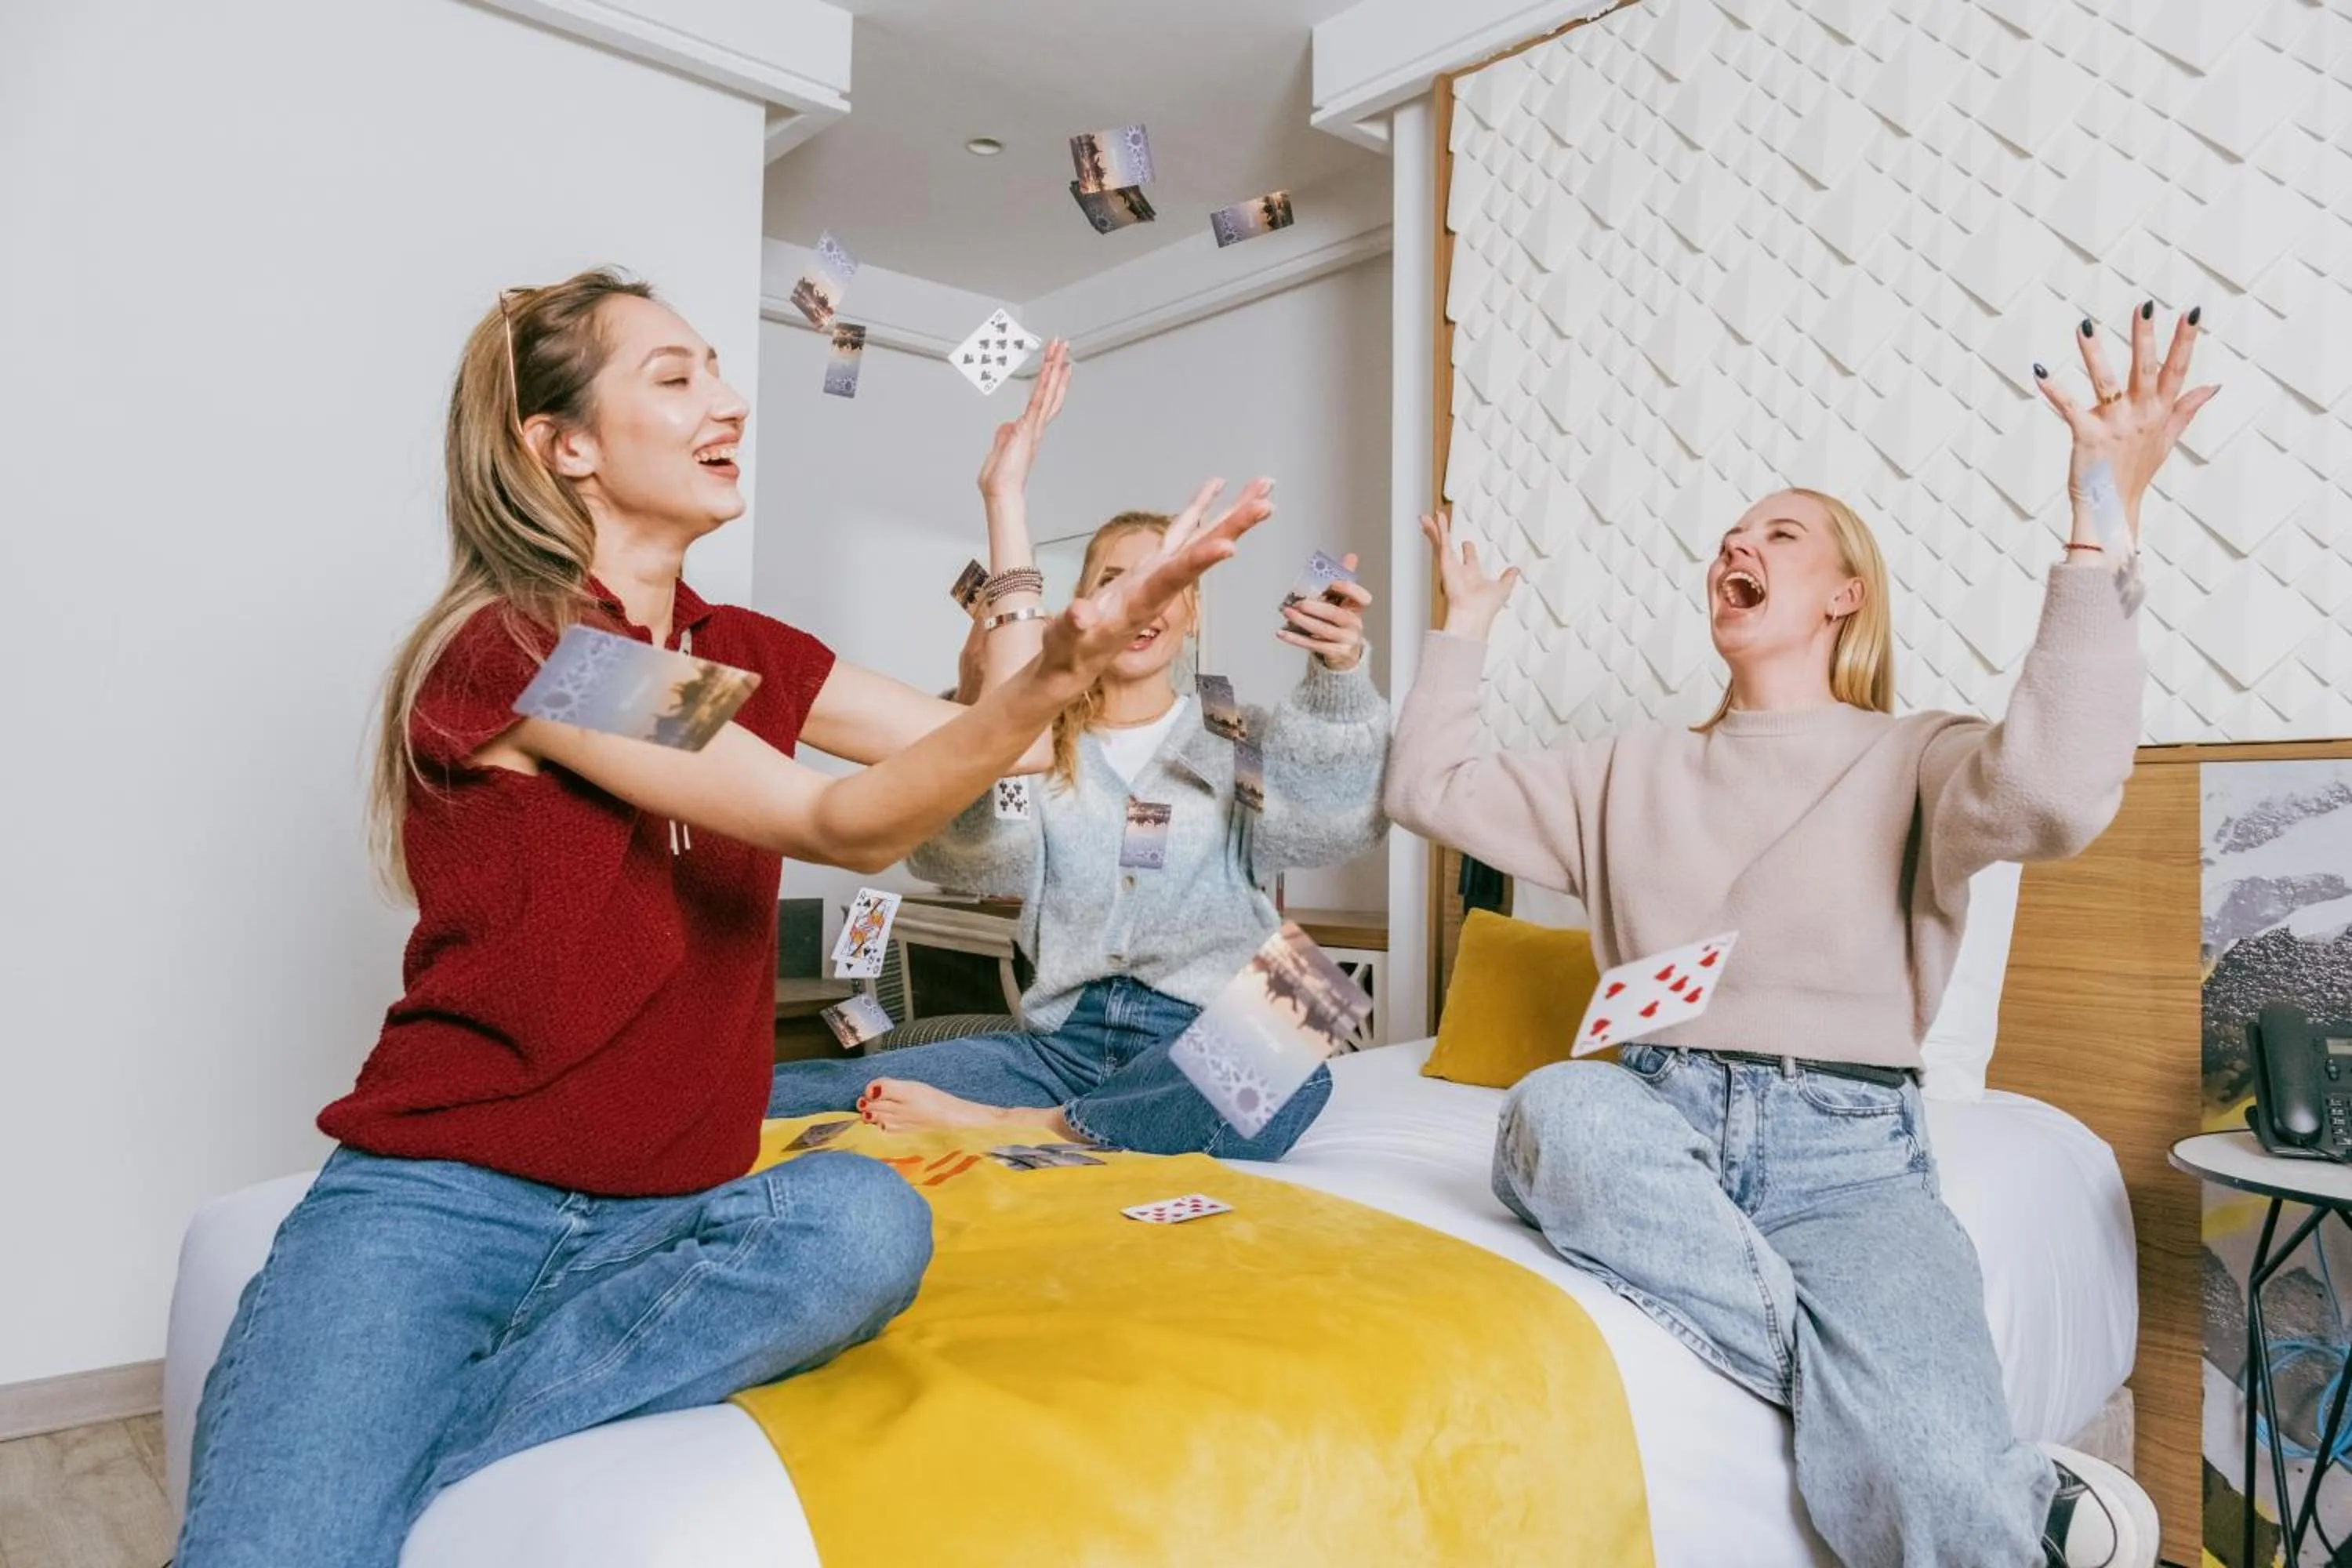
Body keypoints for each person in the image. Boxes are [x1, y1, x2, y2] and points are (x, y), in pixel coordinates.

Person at [175, 270, 1269, 1568]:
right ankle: (389, 1459)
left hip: (666, 1210)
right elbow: (841, 821)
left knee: (863, 1223)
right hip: (445, 1203)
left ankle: (404, 1450)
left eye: (720, 371)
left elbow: (997, 751)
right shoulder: (525, 649)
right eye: (676, 376)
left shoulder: (737, 647)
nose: (729, 401)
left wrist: (1046, 601)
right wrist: (1059, 680)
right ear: (561, 445)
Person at [1385, 304, 2216, 1568]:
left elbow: (2052, 795)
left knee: (1939, 1481)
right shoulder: (1626, 770)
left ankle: (1963, 1470)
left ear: (1844, 595)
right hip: (1653, 1113)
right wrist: (1462, 630)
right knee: (1555, 1114)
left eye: (1781, 532)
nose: (1740, 540)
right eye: (1734, 532)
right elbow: (1427, 794)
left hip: (1853, 1159)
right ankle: (1910, 1418)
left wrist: (2097, 534)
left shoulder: (1919, 756)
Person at [767, 382, 1389, 1159]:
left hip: (1203, 1032)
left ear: (1190, 607)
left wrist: (1338, 675)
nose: (1143, 596)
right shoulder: (1034, 737)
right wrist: (980, 708)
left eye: (1167, 578)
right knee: (801, 1091)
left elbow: (1330, 826)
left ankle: (1047, 1131)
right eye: (1114, 578)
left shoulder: (1239, 734)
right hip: (1059, 1043)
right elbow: (970, 860)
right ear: (1082, 604)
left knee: (1301, 1035)